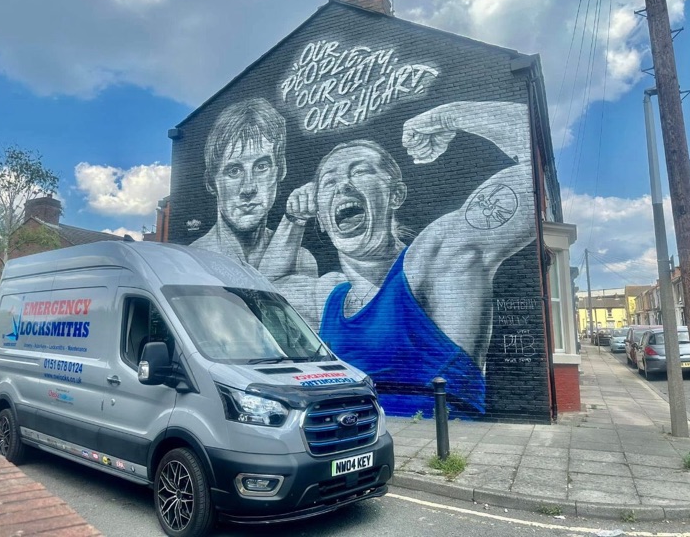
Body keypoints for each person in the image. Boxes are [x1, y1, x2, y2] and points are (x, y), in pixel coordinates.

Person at [266, 101, 535, 417]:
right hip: (351, 440)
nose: (344, 185)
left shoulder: (433, 260)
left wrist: (447, 116)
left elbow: (535, 166)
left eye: (361, 171)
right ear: (322, 220)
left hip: (438, 443)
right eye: (329, 181)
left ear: (396, 195)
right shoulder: (330, 296)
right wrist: (293, 219)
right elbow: (265, 289)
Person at [191, 97, 317, 276]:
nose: (248, 188)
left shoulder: (302, 262)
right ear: (211, 182)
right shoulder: (193, 262)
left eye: (261, 167)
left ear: (280, 170)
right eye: (234, 170)